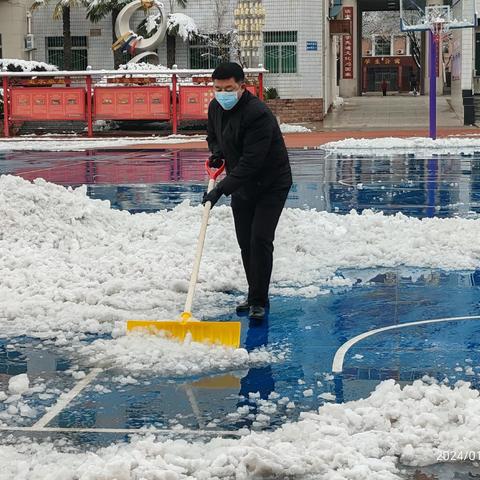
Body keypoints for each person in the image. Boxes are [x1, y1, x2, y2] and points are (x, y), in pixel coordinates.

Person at [202, 62, 292, 321]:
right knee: (245, 243)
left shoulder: (258, 113)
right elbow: (213, 136)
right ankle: (253, 294)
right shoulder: (215, 108)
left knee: (260, 239)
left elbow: (253, 161)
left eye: (228, 88)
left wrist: (220, 190)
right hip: (242, 184)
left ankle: (259, 301)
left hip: (271, 184)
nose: (223, 93)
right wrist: (217, 154)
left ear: (242, 86)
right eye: (218, 88)